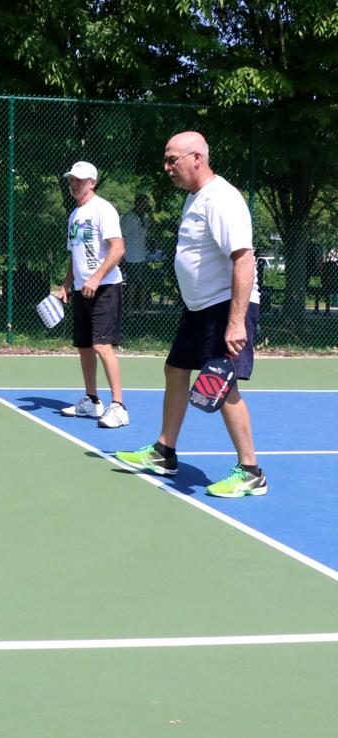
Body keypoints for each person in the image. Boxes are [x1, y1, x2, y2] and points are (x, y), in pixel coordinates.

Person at [116, 131, 266, 498]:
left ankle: (251, 471)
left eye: (173, 160)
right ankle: (164, 452)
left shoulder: (222, 199)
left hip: (224, 306)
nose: (167, 168)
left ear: (197, 157)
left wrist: (235, 321)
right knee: (176, 368)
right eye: (166, 160)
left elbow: (243, 259)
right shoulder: (194, 198)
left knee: (220, 384)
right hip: (199, 308)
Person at [57, 161, 129, 429]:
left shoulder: (103, 209)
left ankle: (119, 406)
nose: (75, 183)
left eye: (81, 179)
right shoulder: (74, 215)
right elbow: (74, 255)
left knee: (101, 345)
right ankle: (91, 401)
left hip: (106, 287)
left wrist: (96, 279)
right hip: (80, 290)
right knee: (84, 346)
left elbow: (118, 248)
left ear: (93, 182)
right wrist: (66, 284)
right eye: (72, 179)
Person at [120, 194, 154, 309]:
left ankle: (142, 311)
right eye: (144, 203)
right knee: (132, 284)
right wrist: (122, 255)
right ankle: (129, 310)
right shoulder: (129, 217)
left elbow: (153, 227)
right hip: (132, 256)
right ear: (138, 203)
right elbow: (121, 236)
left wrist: (151, 214)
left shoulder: (144, 217)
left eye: (147, 204)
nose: (146, 206)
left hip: (142, 255)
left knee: (144, 283)